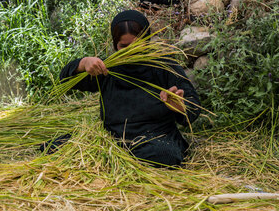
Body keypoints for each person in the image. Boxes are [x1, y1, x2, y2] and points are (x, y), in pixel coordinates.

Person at [55, 10, 200, 167]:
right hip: (112, 140)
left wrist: (180, 107)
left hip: (156, 138)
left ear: (147, 41)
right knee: (56, 147)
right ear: (115, 45)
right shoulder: (106, 69)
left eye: (137, 44)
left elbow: (193, 106)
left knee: (164, 155)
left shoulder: (164, 66)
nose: (132, 50)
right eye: (124, 46)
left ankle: (118, 164)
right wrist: (83, 63)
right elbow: (65, 80)